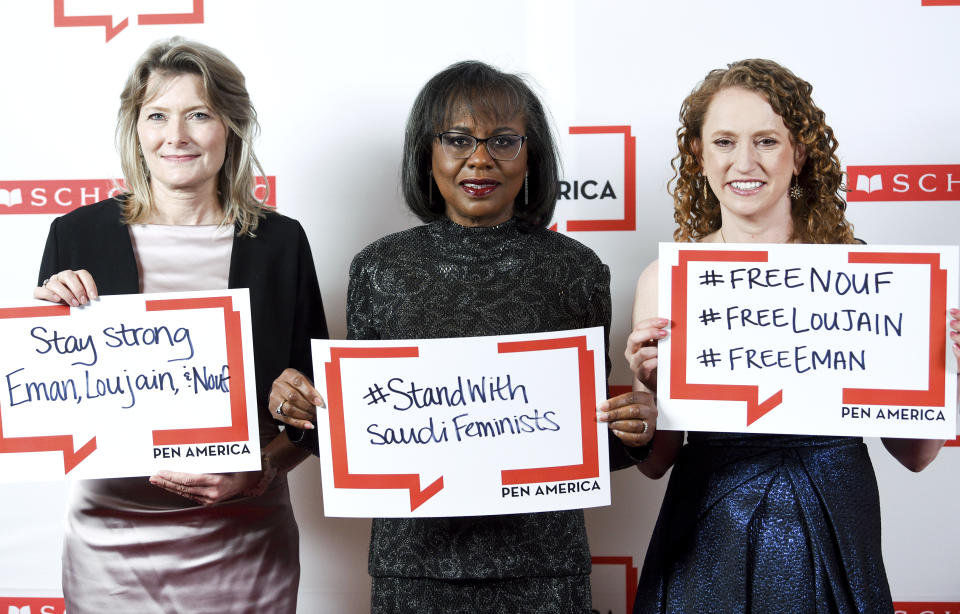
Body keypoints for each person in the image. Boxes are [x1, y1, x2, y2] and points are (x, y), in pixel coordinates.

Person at [269, 60, 648, 614]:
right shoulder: (381, 270)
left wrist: (631, 432)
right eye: (458, 139)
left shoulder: (576, 270)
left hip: (544, 564)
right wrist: (300, 416)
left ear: (532, 156)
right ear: (427, 153)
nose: (480, 158)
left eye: (504, 141)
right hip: (414, 566)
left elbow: (585, 437)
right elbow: (363, 436)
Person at [600, 58, 950, 613]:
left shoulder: (867, 275)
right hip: (710, 521)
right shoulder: (666, 279)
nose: (745, 162)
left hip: (837, 509)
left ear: (801, 153)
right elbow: (657, 461)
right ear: (699, 155)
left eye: (766, 140)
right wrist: (652, 390)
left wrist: (940, 370)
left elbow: (916, 454)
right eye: (723, 141)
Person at [33, 37, 327, 613]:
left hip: (244, 535)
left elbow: (312, 406)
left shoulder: (280, 243)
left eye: (199, 114)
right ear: (135, 129)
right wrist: (41, 327)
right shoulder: (76, 235)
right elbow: (50, 401)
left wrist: (262, 469)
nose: (177, 136)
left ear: (232, 127)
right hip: (110, 540)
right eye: (157, 116)